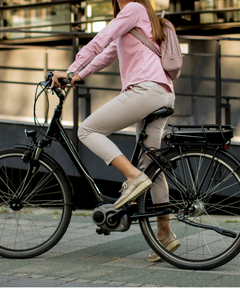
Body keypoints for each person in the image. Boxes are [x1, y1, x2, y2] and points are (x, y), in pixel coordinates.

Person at [51, 0, 179, 262]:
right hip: (162, 93)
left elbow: (101, 38)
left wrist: (71, 68)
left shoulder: (132, 9)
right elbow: (107, 52)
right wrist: (79, 74)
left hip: (145, 90)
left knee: (87, 130)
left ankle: (133, 178)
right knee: (150, 163)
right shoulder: (142, 16)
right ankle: (165, 234)